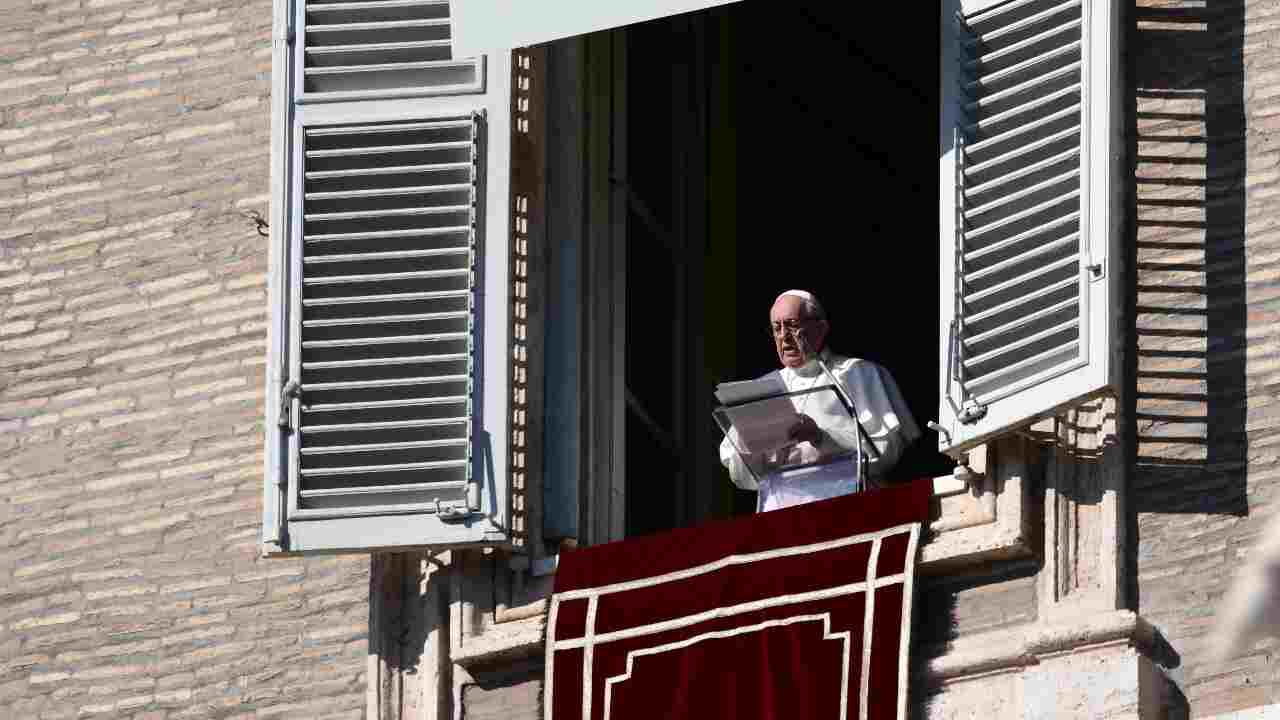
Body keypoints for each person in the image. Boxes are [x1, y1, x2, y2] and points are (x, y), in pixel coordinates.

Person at [718, 290, 920, 512]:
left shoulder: (860, 373)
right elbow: (743, 478)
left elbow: (886, 453)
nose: (784, 336)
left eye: (792, 325)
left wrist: (820, 437)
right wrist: (746, 445)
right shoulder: (760, 390)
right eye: (777, 328)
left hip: (848, 506)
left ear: (821, 328)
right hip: (780, 511)